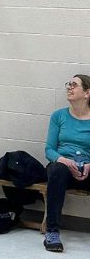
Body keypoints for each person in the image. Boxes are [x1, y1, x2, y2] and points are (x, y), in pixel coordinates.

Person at [42, 74, 90, 253]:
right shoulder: (59, 116)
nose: (69, 87)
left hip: (87, 170)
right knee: (56, 170)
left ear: (87, 93)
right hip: (63, 168)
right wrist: (65, 161)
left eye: (74, 85)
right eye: (68, 84)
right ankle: (52, 232)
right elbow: (49, 150)